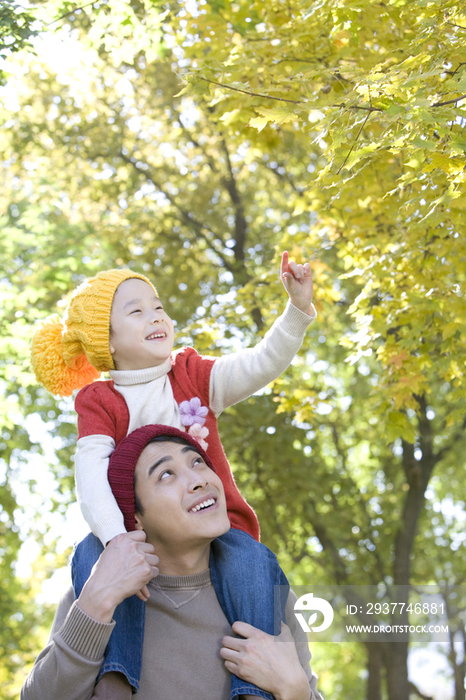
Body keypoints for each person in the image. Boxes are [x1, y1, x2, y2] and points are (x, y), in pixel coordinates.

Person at [30, 251, 316, 698]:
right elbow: (89, 474)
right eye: (137, 310)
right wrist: (115, 541)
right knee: (89, 560)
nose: (156, 315)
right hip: (126, 539)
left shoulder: (191, 375)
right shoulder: (100, 401)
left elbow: (258, 364)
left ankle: (254, 690)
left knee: (256, 561)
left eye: (158, 305)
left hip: (217, 539)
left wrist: (296, 312)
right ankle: (116, 678)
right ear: (106, 339)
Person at [21, 425, 322, 700]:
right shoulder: (91, 592)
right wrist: (95, 602)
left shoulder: (265, 593)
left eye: (197, 462)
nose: (198, 480)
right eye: (166, 474)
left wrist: (295, 691)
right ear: (134, 516)